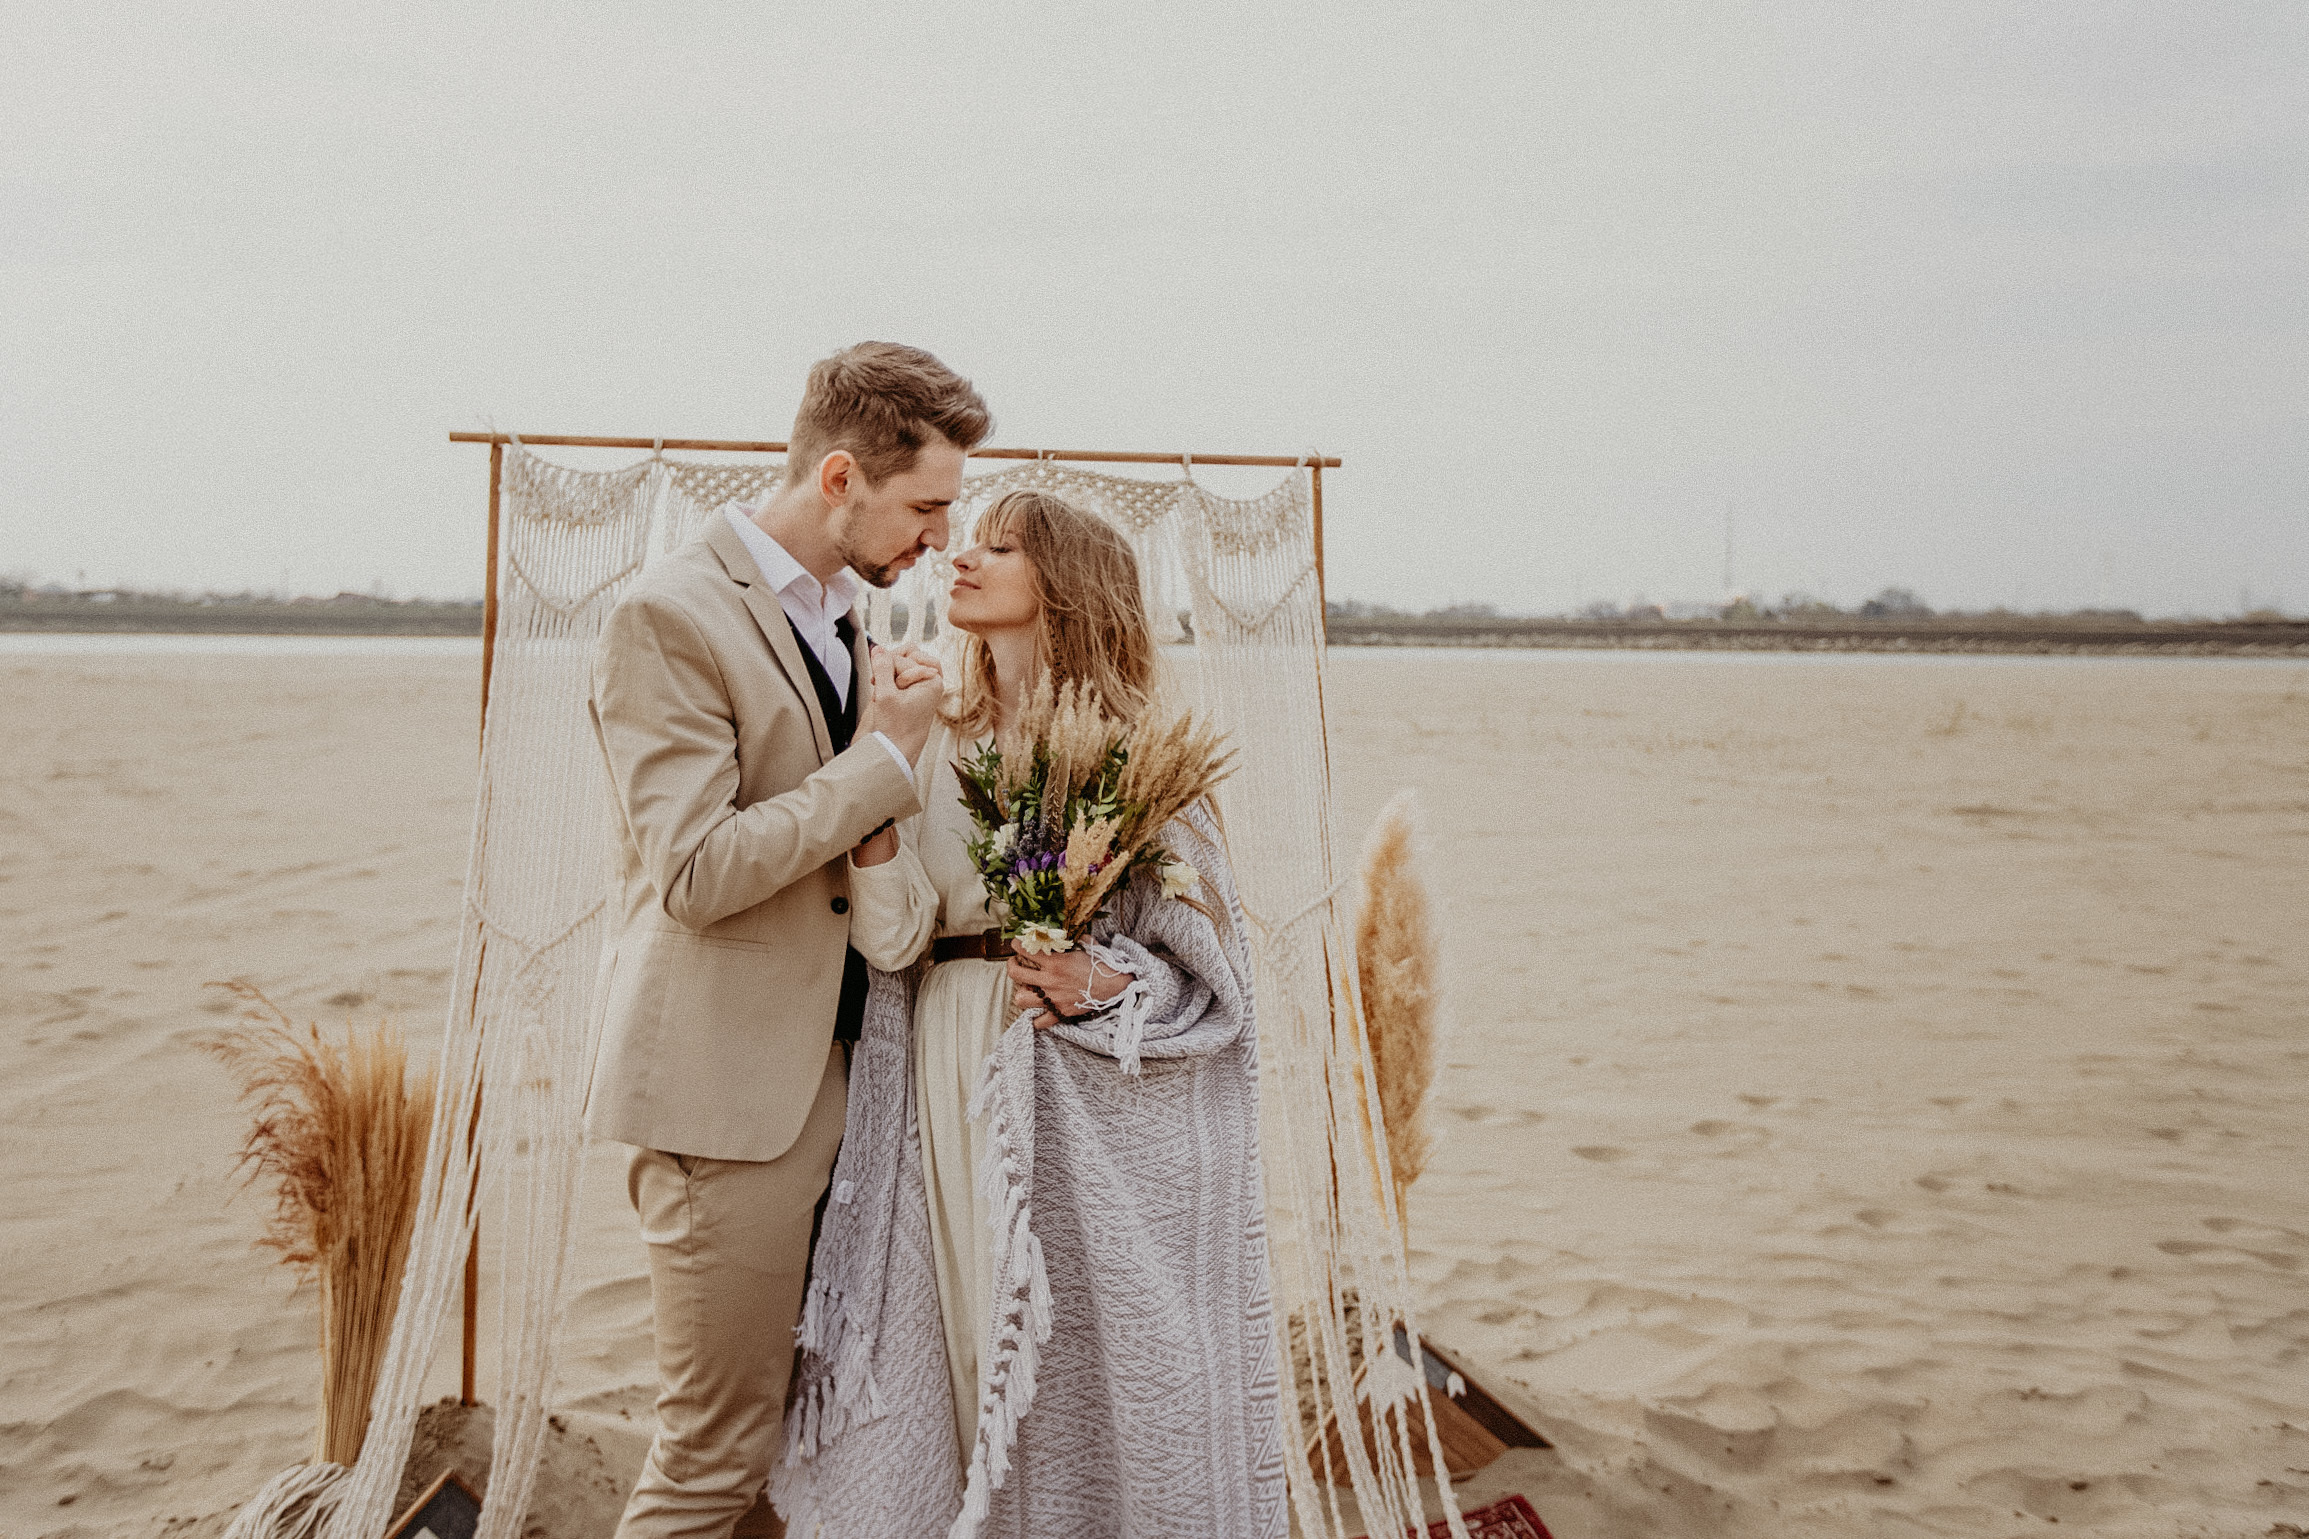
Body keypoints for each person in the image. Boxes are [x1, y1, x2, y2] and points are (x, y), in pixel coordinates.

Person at [774, 491, 1286, 1539]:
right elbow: (891, 938)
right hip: (943, 1053)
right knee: (958, 1331)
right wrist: (874, 812)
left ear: (1063, 586)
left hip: (1074, 1079)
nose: (962, 559)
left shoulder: (1142, 755)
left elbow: (1209, 962)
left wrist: (1100, 984)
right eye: (970, 542)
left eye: (999, 549)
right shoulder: (930, 736)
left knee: (1067, 1350)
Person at [585, 342, 991, 1539]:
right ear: (837, 478)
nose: (937, 536)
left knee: (791, 1460)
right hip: (727, 1101)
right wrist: (883, 763)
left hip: (847, 1090)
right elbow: (697, 872)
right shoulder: (669, 614)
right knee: (711, 1460)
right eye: (922, 505)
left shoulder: (848, 616)